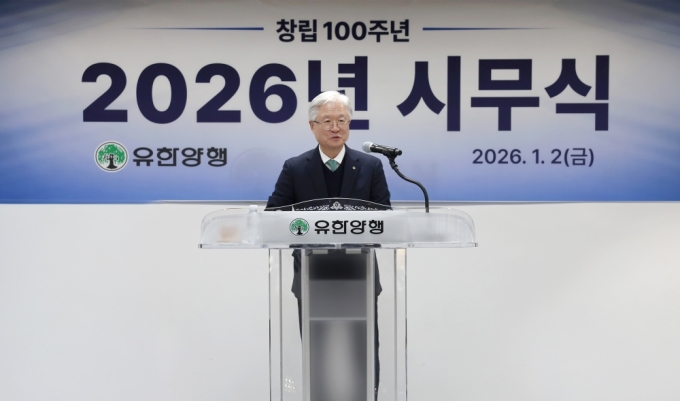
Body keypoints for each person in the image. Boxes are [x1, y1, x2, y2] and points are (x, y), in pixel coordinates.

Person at [265, 90, 390, 397]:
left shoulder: (371, 165)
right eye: (328, 121)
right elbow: (273, 216)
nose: (336, 127)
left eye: (342, 120)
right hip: (313, 274)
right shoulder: (295, 168)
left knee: (361, 351)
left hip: (358, 273)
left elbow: (385, 218)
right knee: (318, 350)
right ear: (312, 126)